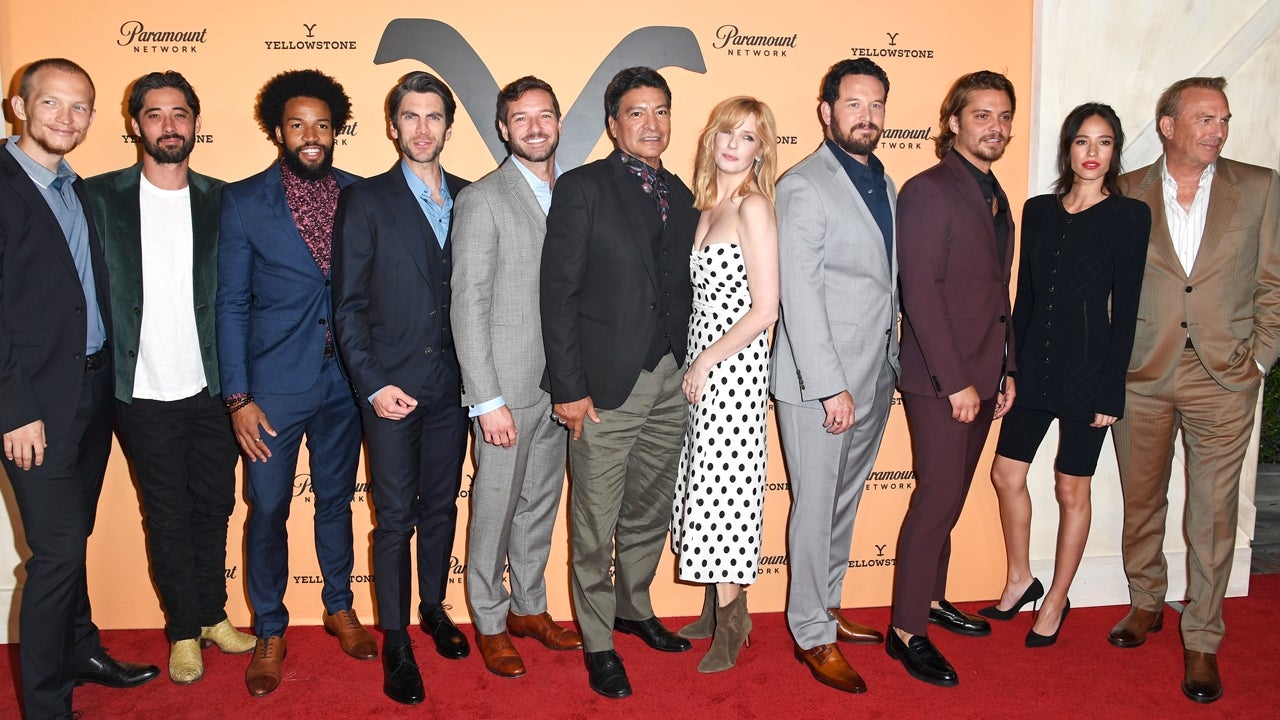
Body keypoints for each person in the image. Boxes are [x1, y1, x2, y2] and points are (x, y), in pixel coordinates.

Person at [1107, 76, 1280, 704]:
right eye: (1205, 119)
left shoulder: (1259, 187)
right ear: (1168, 125)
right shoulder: (1125, 191)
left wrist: (1259, 359)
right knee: (1141, 500)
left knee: (1212, 513)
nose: (1219, 131)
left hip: (1224, 377)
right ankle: (1146, 600)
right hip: (1142, 376)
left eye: (1224, 120)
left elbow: (1273, 282)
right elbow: (1105, 286)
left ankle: (1203, 636)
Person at [0, 57, 160, 720]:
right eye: (51, 103)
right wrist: (14, 410)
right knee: (57, 552)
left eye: (80, 107)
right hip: (32, 409)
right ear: (18, 106)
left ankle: (82, 651)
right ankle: (46, 706)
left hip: (92, 392)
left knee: (74, 538)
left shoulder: (76, 188)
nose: (66, 119)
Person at [87, 70, 258, 686]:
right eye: (155, 114)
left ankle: (212, 615)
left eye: (179, 113)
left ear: (196, 123)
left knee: (214, 507)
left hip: (213, 387)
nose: (168, 126)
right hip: (140, 391)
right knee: (166, 515)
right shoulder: (98, 197)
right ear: (135, 123)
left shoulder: (223, 199)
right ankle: (183, 629)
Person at [215, 68, 376, 698]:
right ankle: (269, 629)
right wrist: (238, 398)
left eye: (322, 126)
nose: (311, 136)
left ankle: (339, 607)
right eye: (298, 125)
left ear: (336, 131)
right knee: (269, 508)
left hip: (345, 383)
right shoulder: (243, 200)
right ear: (277, 131)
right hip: (274, 387)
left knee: (336, 499)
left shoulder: (362, 194)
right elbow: (231, 303)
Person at [540, 66, 698, 699]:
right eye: (636, 112)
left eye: (661, 111)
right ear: (612, 124)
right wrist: (568, 388)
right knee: (594, 521)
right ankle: (598, 640)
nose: (651, 123)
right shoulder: (582, 188)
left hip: (671, 380)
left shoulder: (683, 193)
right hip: (603, 389)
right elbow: (558, 294)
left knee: (649, 509)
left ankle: (634, 607)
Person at [982, 103, 1150, 647]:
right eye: (1082, 141)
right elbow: (1025, 298)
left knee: (1070, 487)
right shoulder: (1039, 210)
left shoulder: (1129, 216)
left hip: (1089, 373)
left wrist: (1111, 389)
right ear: (1068, 149)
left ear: (1115, 151)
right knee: (1006, 474)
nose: (1092, 152)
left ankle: (1056, 598)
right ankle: (1020, 579)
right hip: (1034, 366)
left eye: (1104, 142)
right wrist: (1010, 369)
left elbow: (1127, 309)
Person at [331, 70, 471, 705]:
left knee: (441, 507)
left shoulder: (470, 197)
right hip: (390, 390)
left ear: (448, 126)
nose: (422, 128)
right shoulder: (366, 200)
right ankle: (395, 638)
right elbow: (348, 308)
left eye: (433, 116)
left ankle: (433, 609)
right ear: (393, 126)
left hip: (454, 387)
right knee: (393, 520)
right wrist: (372, 385)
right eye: (410, 116)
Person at [769, 57, 900, 695]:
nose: (866, 116)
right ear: (826, 111)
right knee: (816, 505)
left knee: (844, 501)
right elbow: (800, 294)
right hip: (820, 384)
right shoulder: (803, 185)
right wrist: (830, 386)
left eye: (876, 104)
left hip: (875, 371)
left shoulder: (884, 180)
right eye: (853, 104)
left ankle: (829, 603)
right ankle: (810, 632)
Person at [451, 76, 583, 681]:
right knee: (496, 507)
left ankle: (529, 606)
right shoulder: (483, 199)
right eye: (521, 118)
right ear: (504, 128)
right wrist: (486, 399)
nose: (535, 128)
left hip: (561, 386)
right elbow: (468, 304)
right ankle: (489, 618)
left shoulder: (574, 194)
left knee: (539, 504)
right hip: (505, 388)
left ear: (559, 122)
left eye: (545, 115)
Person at [891, 70, 1018, 687]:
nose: (996, 127)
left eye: (1004, 117)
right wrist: (957, 381)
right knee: (936, 498)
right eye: (982, 115)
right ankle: (905, 629)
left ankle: (933, 598)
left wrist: (1007, 367)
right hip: (942, 381)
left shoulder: (994, 193)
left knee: (953, 498)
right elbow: (919, 291)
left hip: (985, 374)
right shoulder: (928, 190)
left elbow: (996, 292)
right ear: (953, 122)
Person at [669, 95, 778, 674]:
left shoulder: (753, 207)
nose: (734, 145)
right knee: (705, 485)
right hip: (705, 359)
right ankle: (718, 608)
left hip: (733, 366)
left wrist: (707, 361)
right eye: (727, 133)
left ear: (762, 150)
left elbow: (765, 308)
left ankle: (733, 625)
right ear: (712, 138)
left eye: (748, 137)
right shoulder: (711, 204)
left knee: (726, 489)